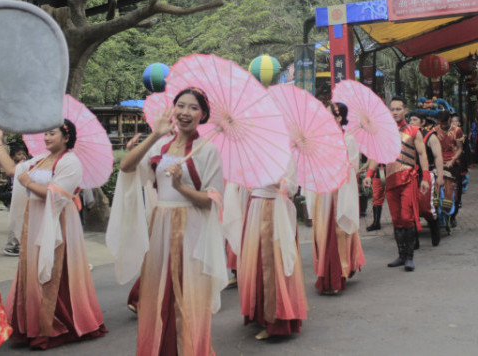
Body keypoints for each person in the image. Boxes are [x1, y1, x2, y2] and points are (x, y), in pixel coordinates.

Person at [107, 88, 226, 355]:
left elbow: (212, 199)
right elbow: (126, 167)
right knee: (156, 294)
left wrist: (180, 186)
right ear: (172, 110)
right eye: (180, 106)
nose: (185, 112)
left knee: (188, 295)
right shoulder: (160, 146)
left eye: (193, 107)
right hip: (159, 226)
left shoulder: (208, 151)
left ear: (203, 114)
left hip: (192, 227)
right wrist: (155, 135)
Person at [5, 120, 107, 349]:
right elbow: (12, 171)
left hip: (58, 219)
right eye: (46, 133)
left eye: (52, 133)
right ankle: (30, 325)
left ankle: (53, 324)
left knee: (53, 270)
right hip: (35, 220)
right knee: (32, 268)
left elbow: (57, 195)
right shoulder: (40, 159)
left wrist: (28, 183)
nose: (47, 137)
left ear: (66, 136)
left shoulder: (70, 162)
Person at [239, 160, 308, 340]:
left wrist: (275, 180)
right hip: (255, 207)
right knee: (256, 264)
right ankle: (260, 314)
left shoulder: (285, 154)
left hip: (273, 210)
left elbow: (292, 187)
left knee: (273, 265)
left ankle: (276, 319)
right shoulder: (255, 151)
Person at [363, 96, 430, 272]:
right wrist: (369, 174)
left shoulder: (415, 131)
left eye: (398, 109)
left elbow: (422, 155)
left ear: (405, 111)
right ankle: (401, 255)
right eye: (392, 109)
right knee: (396, 219)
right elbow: (377, 154)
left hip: (409, 179)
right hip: (391, 181)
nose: (395, 112)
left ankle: (409, 257)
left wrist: (426, 178)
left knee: (407, 217)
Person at [310, 102, 365, 295]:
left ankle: (338, 275)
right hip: (323, 193)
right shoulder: (319, 139)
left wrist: (337, 165)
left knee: (339, 232)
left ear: (339, 118)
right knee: (322, 233)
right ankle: (325, 274)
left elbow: (353, 167)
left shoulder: (348, 140)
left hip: (339, 192)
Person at [0, 129, 31, 256]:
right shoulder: (19, 166)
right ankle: (12, 246)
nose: (22, 156)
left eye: (23, 154)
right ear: (13, 156)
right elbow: (11, 172)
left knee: (21, 221)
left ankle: (17, 245)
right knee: (17, 221)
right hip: (16, 196)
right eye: (19, 154)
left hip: (25, 196)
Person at [408, 111, 443, 246]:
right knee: (411, 208)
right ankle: (414, 241)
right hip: (411, 175)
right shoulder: (406, 136)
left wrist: (440, 176)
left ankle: (435, 230)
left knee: (425, 207)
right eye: (410, 119)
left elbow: (438, 156)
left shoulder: (430, 136)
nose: (411, 122)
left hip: (427, 174)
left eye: (415, 120)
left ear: (422, 122)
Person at [434, 111, 464, 228]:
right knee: (437, 189)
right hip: (439, 162)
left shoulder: (457, 130)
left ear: (449, 119)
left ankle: (453, 216)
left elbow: (460, 148)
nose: (443, 126)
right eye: (441, 123)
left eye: (445, 123)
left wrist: (452, 160)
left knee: (455, 191)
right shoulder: (435, 130)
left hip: (453, 163)